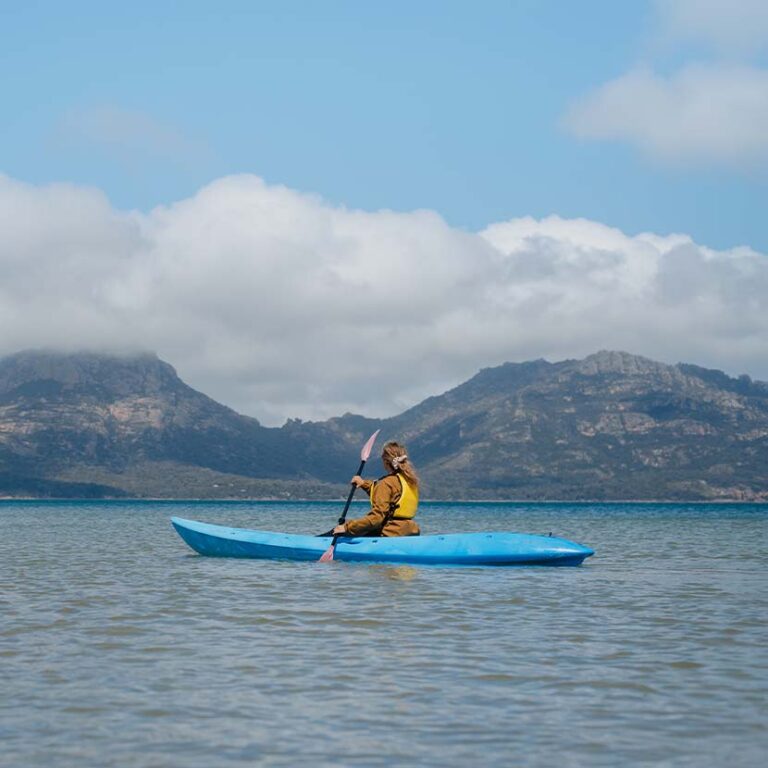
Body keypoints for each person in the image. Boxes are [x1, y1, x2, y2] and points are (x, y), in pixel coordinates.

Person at [332, 441, 421, 537]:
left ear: (386, 461)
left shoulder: (386, 483)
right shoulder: (409, 481)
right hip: (410, 531)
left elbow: (376, 518)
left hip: (390, 533)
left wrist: (347, 527)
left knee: (340, 533)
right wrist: (363, 483)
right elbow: (387, 496)